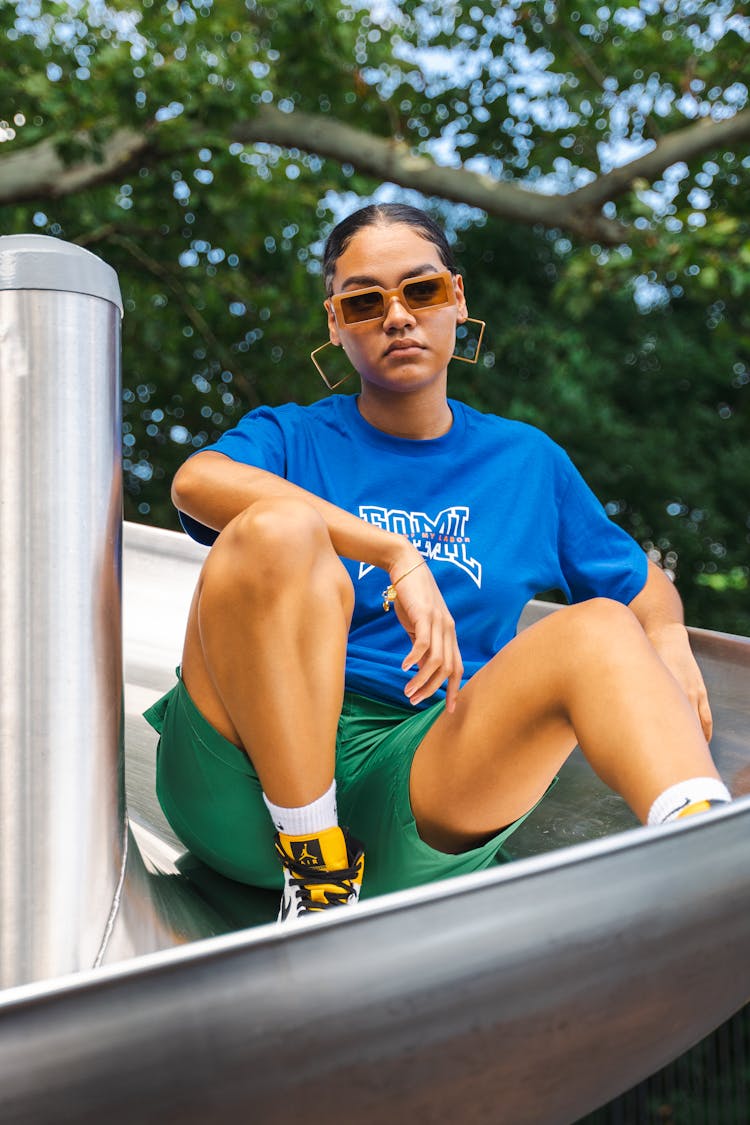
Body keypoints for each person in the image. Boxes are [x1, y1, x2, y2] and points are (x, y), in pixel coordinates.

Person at [144, 202, 731, 922]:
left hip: (421, 778)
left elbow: (639, 588)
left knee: (604, 624)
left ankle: (707, 848)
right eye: (364, 301)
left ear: (456, 297)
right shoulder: (295, 436)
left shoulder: (526, 463)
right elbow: (196, 483)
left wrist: (665, 635)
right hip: (242, 783)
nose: (397, 316)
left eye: (420, 290)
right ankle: (314, 865)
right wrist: (395, 553)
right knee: (280, 528)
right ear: (336, 323)